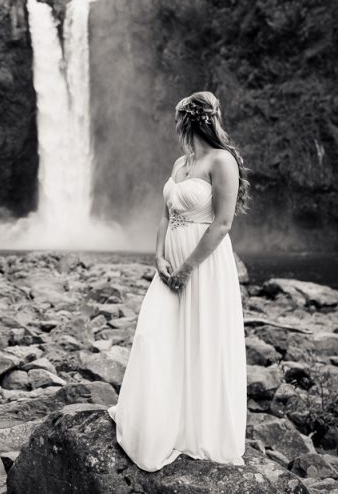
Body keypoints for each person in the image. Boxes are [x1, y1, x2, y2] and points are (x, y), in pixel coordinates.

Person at [107, 91, 252, 472]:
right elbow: (165, 215)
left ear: (190, 121)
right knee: (154, 335)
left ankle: (196, 429)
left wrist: (187, 267)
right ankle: (154, 418)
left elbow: (222, 224)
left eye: (178, 121)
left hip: (203, 265)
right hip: (169, 265)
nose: (175, 128)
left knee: (200, 339)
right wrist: (158, 255)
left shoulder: (222, 161)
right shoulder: (180, 163)